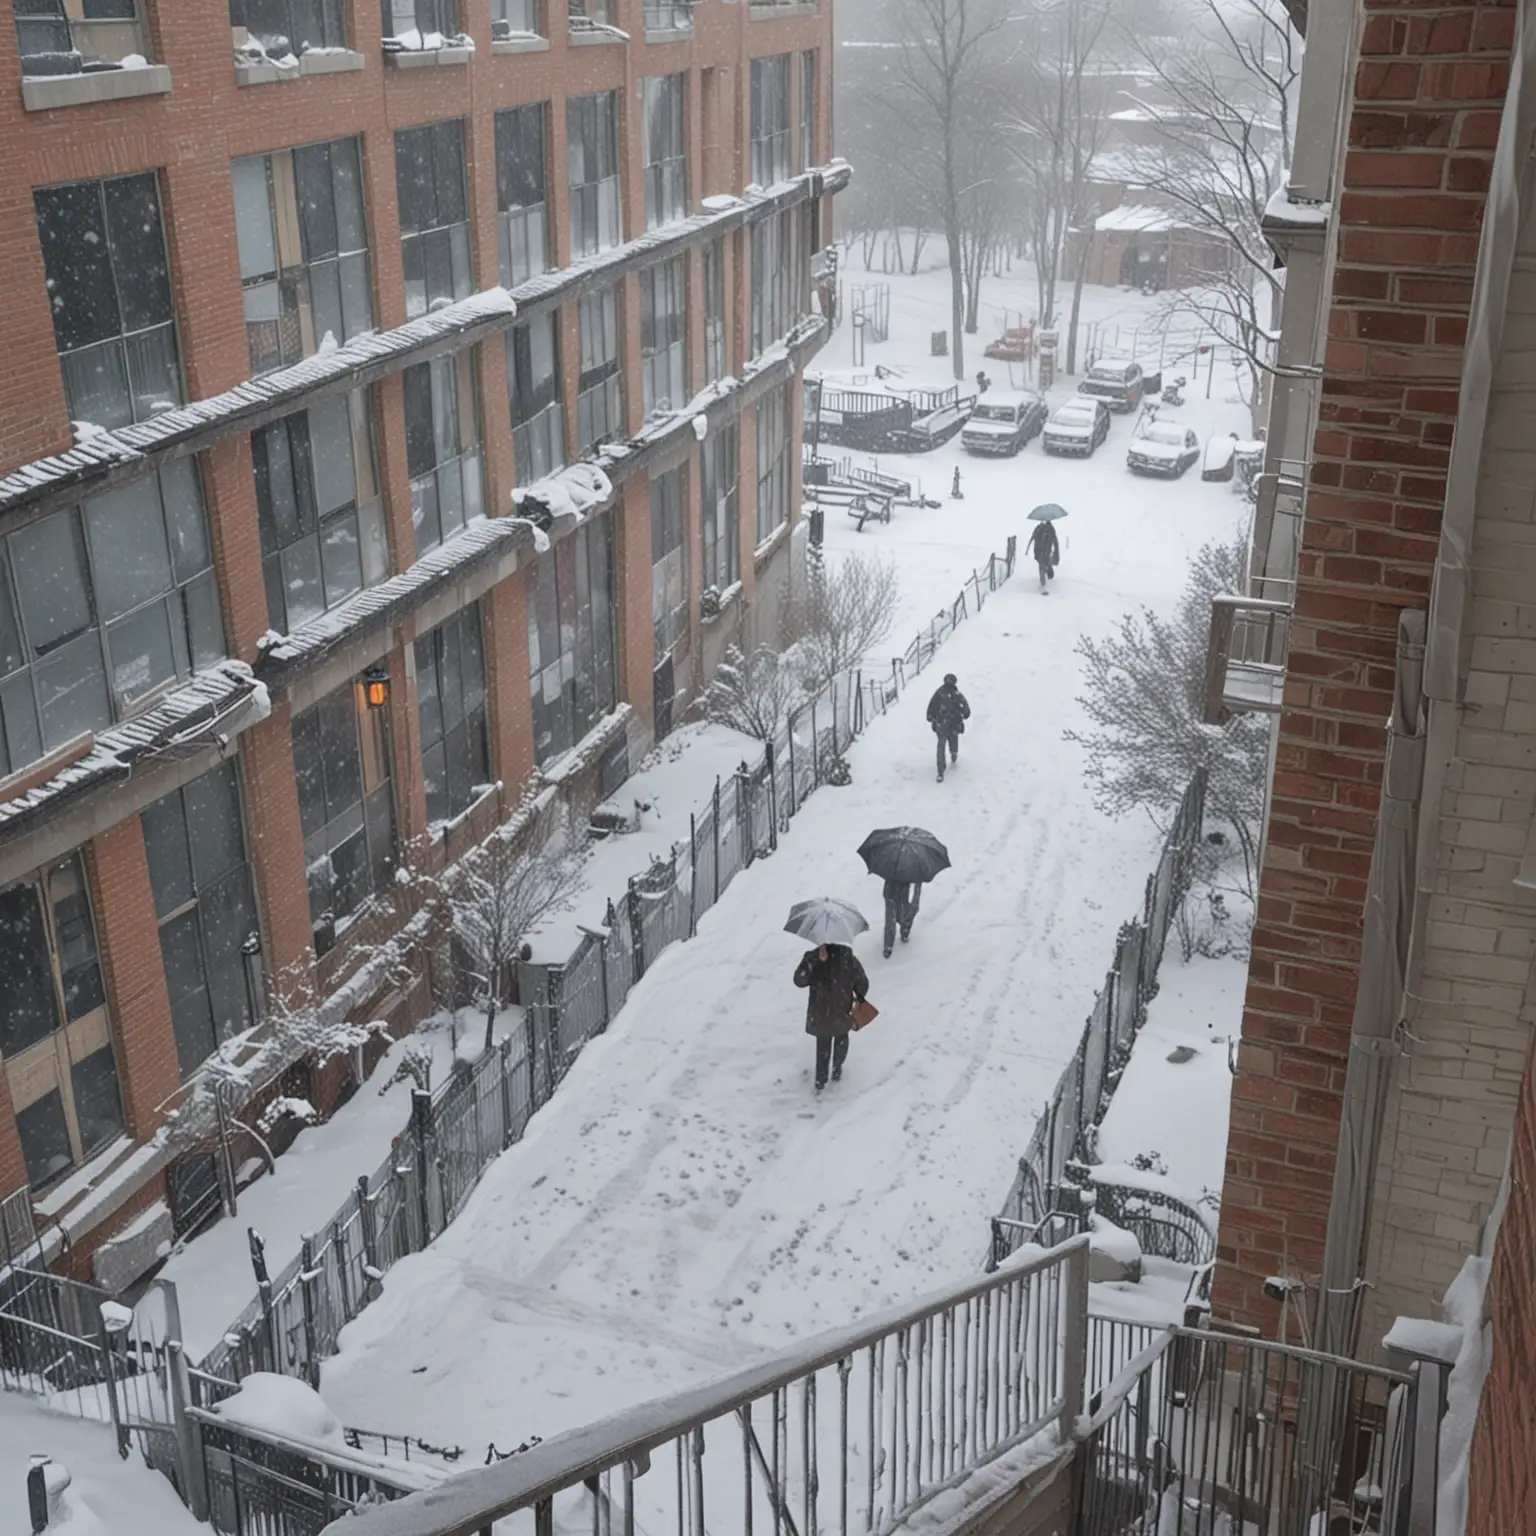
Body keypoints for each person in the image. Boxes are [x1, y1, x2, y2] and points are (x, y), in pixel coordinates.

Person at [793, 943, 870, 1090]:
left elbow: (799, 980)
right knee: (841, 1039)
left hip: (821, 1012)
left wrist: (814, 962)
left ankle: (821, 1081)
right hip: (842, 1012)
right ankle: (836, 1069)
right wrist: (856, 994)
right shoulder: (849, 959)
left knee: (823, 1045)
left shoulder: (812, 957)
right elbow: (863, 985)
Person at [926, 673, 971, 783]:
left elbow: (931, 706)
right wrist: (964, 714)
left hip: (942, 724)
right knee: (952, 741)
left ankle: (941, 769)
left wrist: (930, 716)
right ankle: (953, 754)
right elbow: (966, 710)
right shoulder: (957, 694)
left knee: (941, 746)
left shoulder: (939, 693)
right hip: (953, 724)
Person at [881, 879, 921, 958]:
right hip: (893, 892)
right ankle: (889, 945)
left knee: (897, 915)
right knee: (891, 919)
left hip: (898, 891)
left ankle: (904, 931)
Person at [1028, 519, 1060, 595]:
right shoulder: (1051, 529)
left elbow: (1033, 537)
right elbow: (1055, 542)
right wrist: (1056, 552)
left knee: (1042, 567)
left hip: (1039, 552)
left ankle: (1043, 584)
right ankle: (1043, 586)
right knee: (1043, 566)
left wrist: (1029, 548)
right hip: (1046, 552)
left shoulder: (1039, 527)